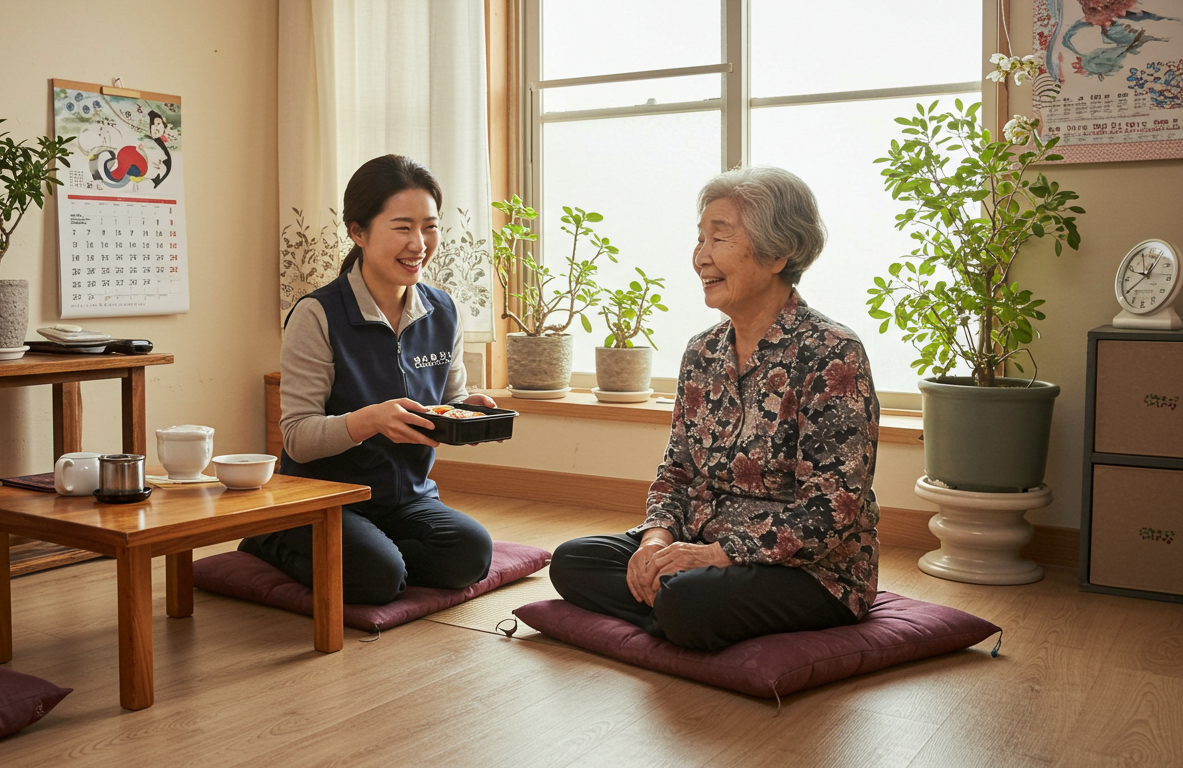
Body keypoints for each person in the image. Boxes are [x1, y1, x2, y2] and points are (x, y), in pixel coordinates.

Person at [548, 166, 880, 651]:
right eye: (699, 239)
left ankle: (677, 610)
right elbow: (677, 469)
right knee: (573, 561)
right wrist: (657, 542)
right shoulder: (701, 351)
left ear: (777, 253)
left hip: (807, 567)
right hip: (697, 544)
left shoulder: (833, 352)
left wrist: (718, 556)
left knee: (689, 600)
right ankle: (675, 610)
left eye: (718, 238)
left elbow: (833, 509)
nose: (700, 256)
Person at [240, 154, 495, 605]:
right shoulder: (317, 314)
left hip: (408, 498)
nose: (419, 243)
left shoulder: (442, 310)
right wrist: (369, 420)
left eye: (430, 226)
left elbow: (450, 397)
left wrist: (469, 409)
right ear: (357, 232)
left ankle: (373, 556)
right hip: (324, 498)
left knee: (470, 554)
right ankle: (270, 536)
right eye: (403, 227)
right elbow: (297, 438)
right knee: (375, 578)